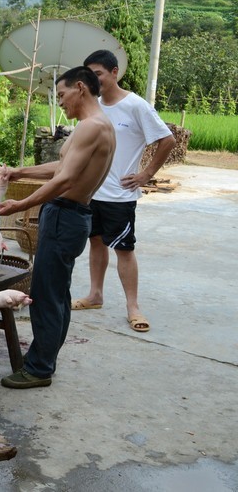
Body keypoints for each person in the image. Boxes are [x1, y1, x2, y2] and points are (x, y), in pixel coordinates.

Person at [0, 67, 116, 389]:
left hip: (65, 215)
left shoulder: (92, 127)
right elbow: (61, 167)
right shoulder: (95, 126)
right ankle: (46, 359)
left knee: (46, 294)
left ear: (80, 88)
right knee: (57, 292)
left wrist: (19, 205)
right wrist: (20, 172)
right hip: (70, 215)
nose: (60, 102)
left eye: (62, 95)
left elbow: (65, 179)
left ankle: (38, 368)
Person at [71, 49, 176, 333]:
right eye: (89, 75)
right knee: (95, 243)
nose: (94, 80)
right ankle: (95, 294)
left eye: (99, 74)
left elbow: (167, 139)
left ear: (115, 72)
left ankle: (133, 306)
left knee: (124, 249)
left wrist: (147, 174)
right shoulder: (93, 106)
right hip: (92, 193)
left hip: (120, 196)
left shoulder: (136, 106)